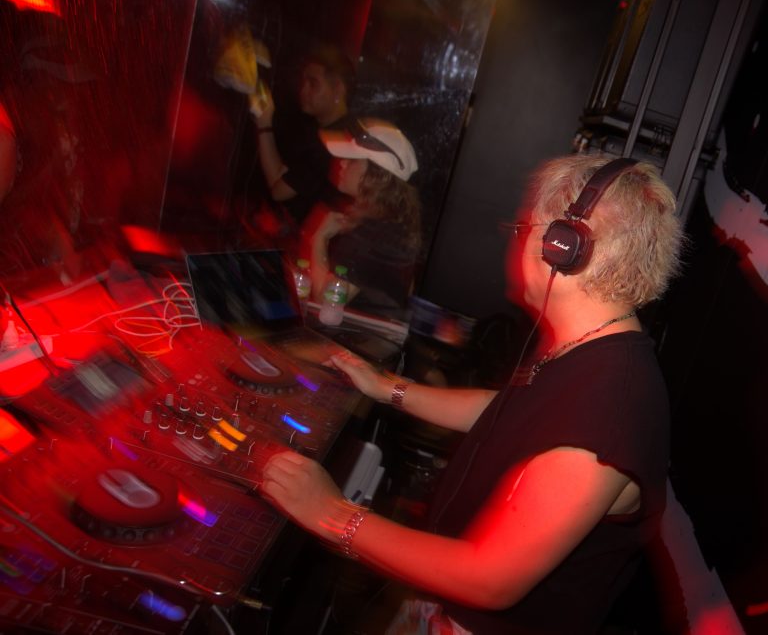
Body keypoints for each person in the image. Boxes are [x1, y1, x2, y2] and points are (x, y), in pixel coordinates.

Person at [262, 154, 684, 633]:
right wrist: (388, 387)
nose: (518, 240)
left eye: (525, 228)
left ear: (563, 246)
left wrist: (332, 514)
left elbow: (490, 579)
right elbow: (508, 412)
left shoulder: (610, 408)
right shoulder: (589, 349)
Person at [303, 117, 422, 318]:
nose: (342, 163)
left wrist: (319, 238)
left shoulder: (374, 231)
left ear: (376, 176)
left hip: (363, 336)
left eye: (352, 160)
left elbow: (327, 303)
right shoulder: (391, 223)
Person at [251, 43, 357, 229]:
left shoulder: (333, 142)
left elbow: (278, 191)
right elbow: (284, 174)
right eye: (304, 82)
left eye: (313, 83)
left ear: (338, 91)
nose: (303, 90)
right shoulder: (322, 129)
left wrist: (264, 124)